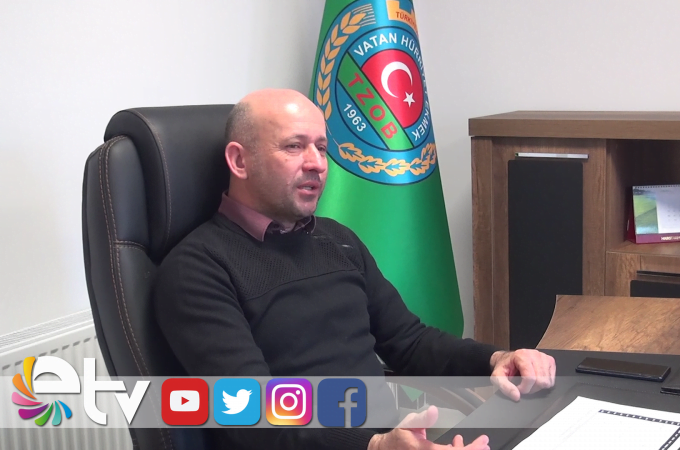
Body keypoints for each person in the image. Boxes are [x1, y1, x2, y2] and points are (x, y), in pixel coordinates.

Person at [153, 88, 556, 450]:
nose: (317, 164)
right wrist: (374, 445)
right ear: (239, 160)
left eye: (322, 148)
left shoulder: (336, 240)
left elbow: (409, 342)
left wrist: (496, 359)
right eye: (294, 147)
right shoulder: (197, 269)